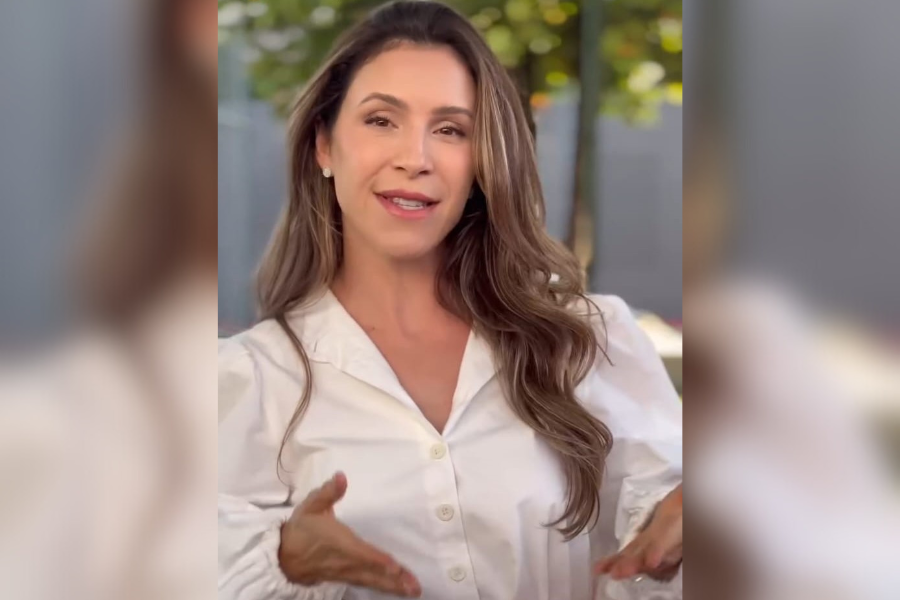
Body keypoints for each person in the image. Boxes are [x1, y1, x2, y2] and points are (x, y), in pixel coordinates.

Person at [218, 2, 682, 599]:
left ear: (481, 162)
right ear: (324, 146)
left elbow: (666, 525)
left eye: (451, 130)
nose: (416, 159)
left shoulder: (586, 343)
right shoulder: (252, 382)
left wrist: (679, 540)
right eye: (381, 120)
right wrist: (284, 561)